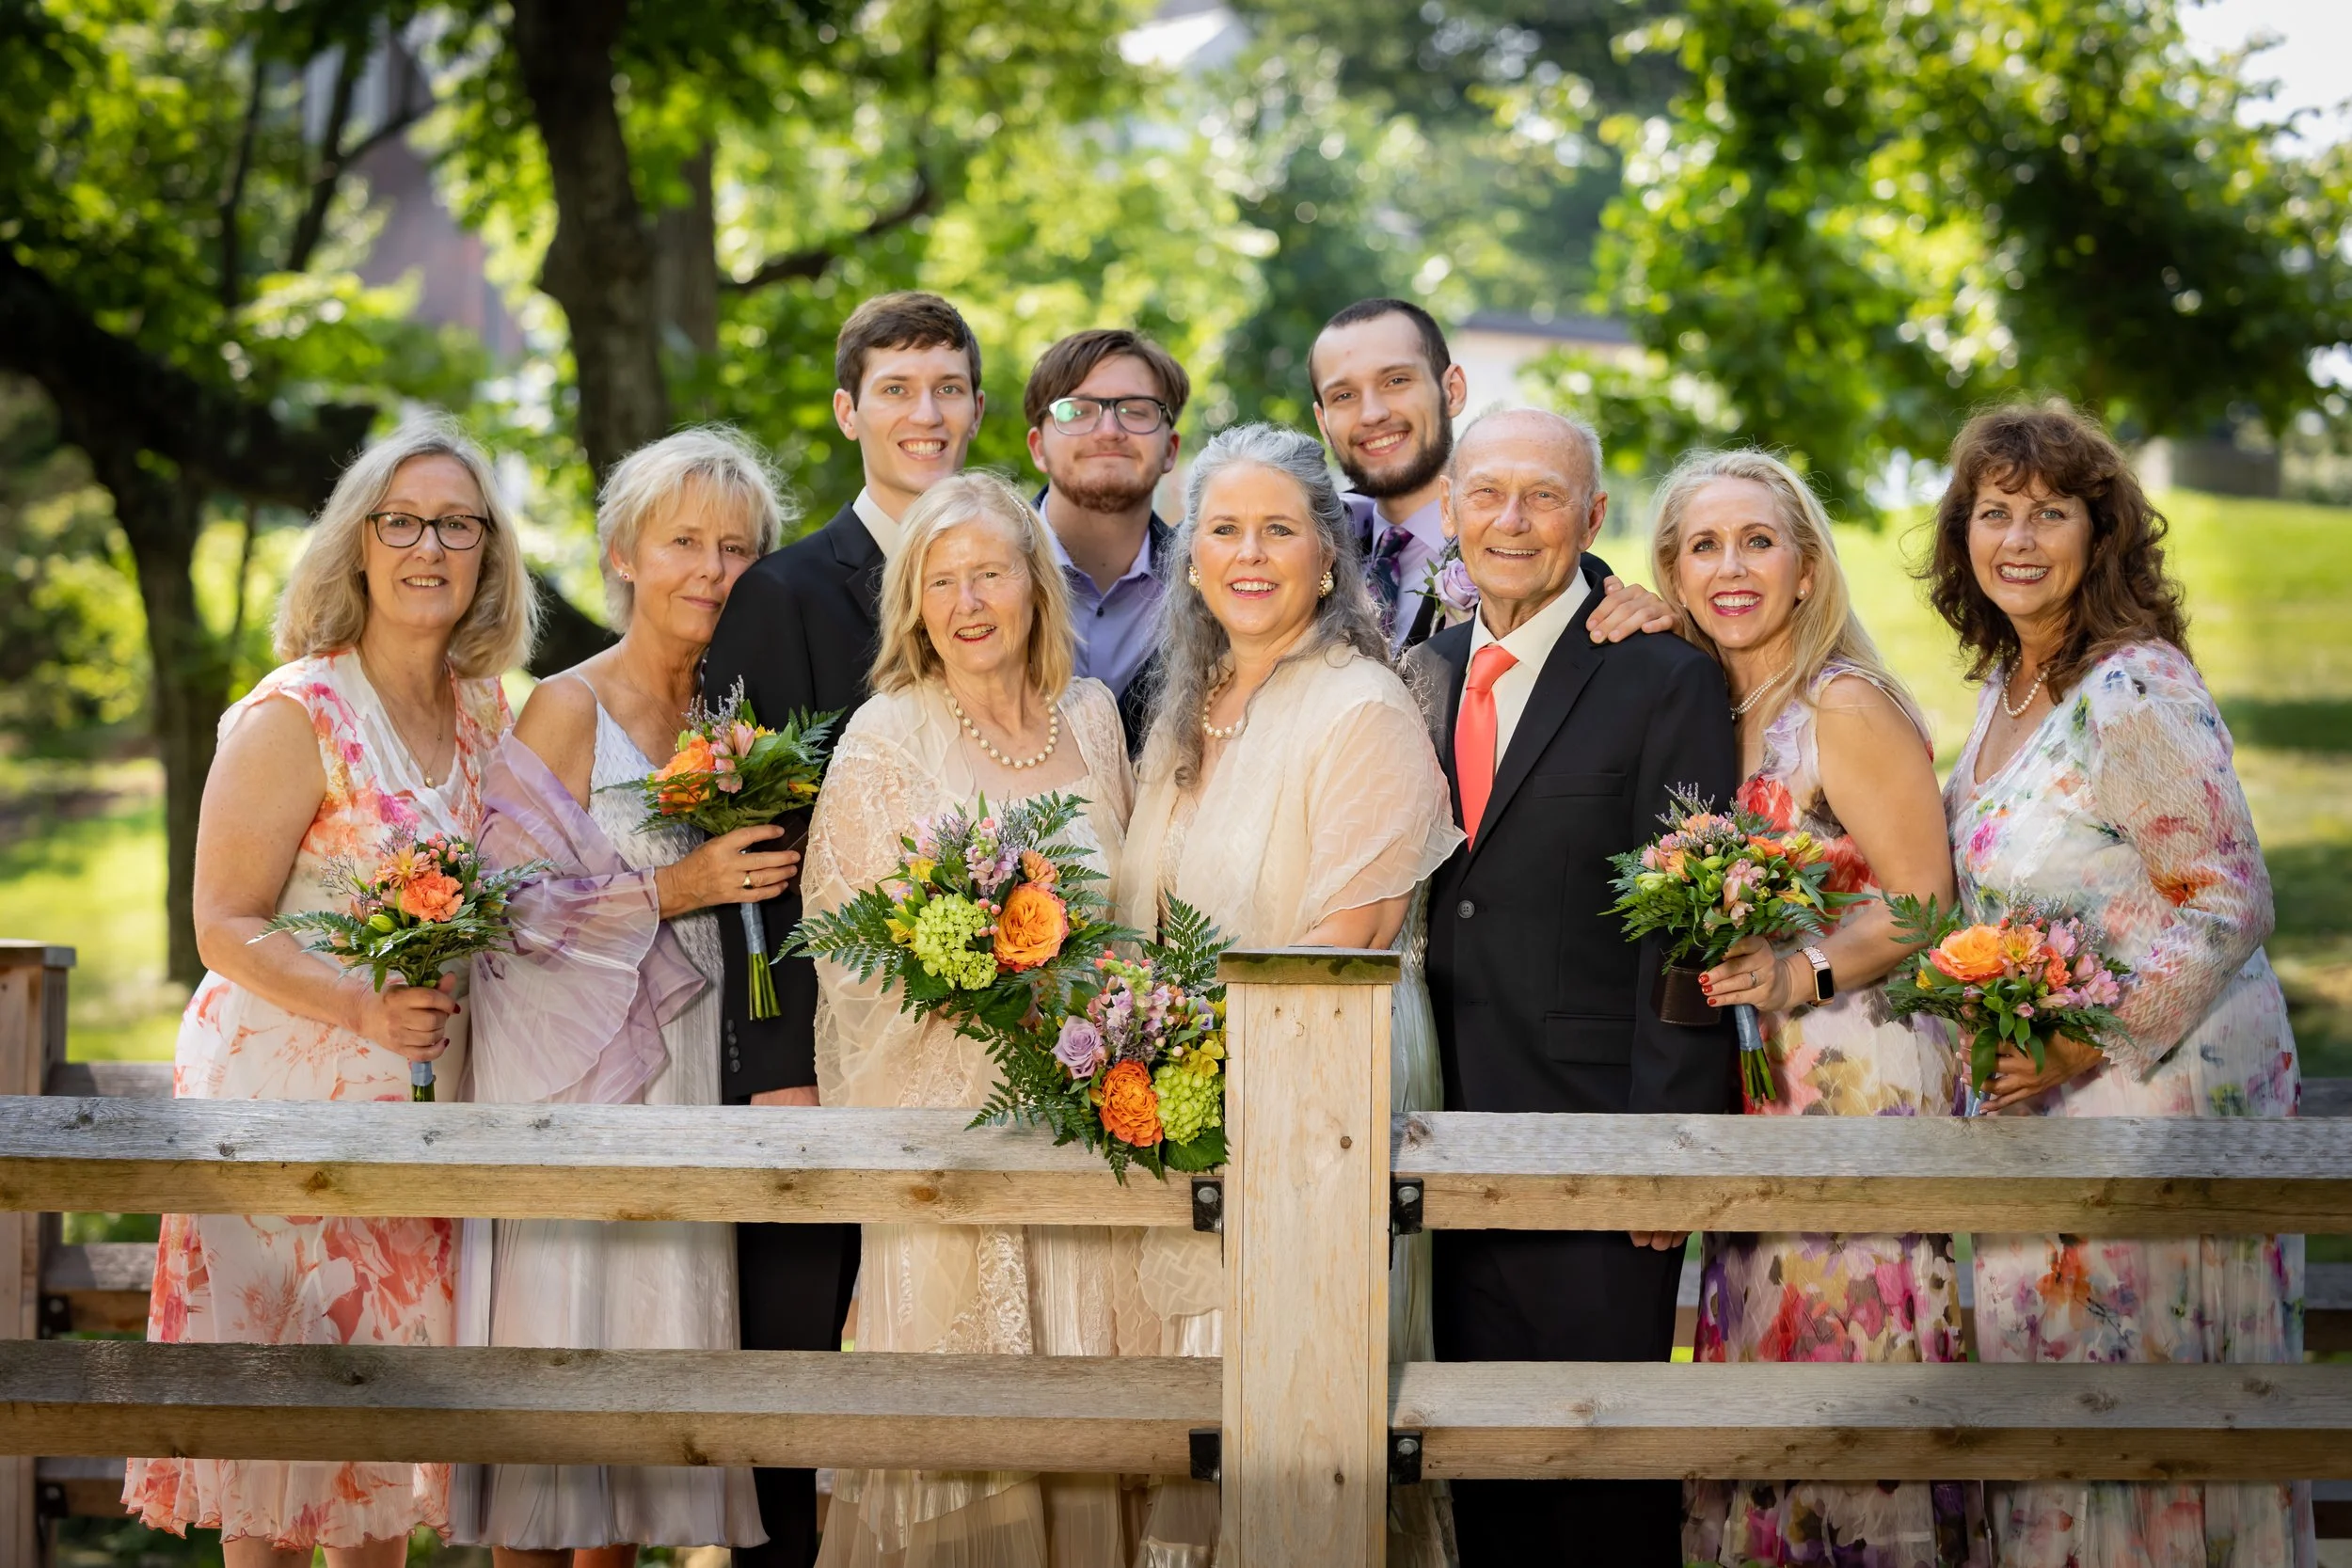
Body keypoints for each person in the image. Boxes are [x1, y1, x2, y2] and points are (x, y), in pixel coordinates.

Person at [124, 415, 538, 1567]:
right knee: (280, 1455)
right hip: (281, 1109)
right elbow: (220, 922)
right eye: (401, 520)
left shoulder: (486, 713)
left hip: (418, 1119)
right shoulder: (294, 710)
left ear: (489, 554)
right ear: (356, 543)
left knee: (373, 1451)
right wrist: (359, 1005)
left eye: (458, 524)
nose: (429, 547)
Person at [1926, 404, 2311, 1567]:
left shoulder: (2129, 685)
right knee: (2046, 1400)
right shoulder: (2008, 689)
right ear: (1963, 534)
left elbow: (2226, 896)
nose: (2020, 538)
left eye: (2051, 511)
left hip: (2158, 1103)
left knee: (2137, 1411)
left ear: (2104, 533)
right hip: (2049, 1111)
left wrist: (2082, 1041)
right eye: (1995, 512)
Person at [1115, 422, 1464, 1565]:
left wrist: (1190, 1055)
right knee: (1203, 1417)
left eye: (1279, 528)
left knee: (1297, 1419)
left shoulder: (1360, 704)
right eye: (1222, 529)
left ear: (1329, 553)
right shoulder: (1182, 706)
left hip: (1319, 1101)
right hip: (1186, 1105)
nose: (1249, 554)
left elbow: (1347, 939)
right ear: (1191, 555)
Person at [453, 428, 797, 1564]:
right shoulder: (563, 705)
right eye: (683, 541)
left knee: (648, 1421)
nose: (710, 569)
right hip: (564, 1088)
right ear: (624, 554)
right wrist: (678, 884)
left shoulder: (737, 722)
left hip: (691, 1078)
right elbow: (502, 911)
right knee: (555, 1422)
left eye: (736, 548)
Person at [1404, 408, 1738, 1566]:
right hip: (1433, 1130)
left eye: (1541, 495)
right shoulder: (1425, 667)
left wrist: (1668, 1146)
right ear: (1448, 512)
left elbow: (1688, 928)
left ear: (1592, 517)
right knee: (1475, 1460)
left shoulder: (1660, 675)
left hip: (1598, 1140)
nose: (1510, 519)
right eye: (1485, 493)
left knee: (1600, 1466)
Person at [1647, 450, 1983, 1568]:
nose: (1729, 566)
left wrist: (1806, 972)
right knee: (1767, 1353)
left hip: (1858, 1077)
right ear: (1673, 570)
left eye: (1756, 540)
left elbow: (1927, 902)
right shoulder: (1710, 704)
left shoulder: (1842, 701)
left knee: (1851, 1355)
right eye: (1702, 545)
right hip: (1759, 1086)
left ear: (1805, 568)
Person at [800, 471, 1141, 1566]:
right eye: (939, 580)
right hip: (950, 1132)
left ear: (1035, 585)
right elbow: (850, 952)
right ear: (912, 603)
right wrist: (985, 982)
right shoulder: (885, 732)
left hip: (1087, 1122)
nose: (966, 600)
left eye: (988, 571)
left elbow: (1130, 911)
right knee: (964, 1433)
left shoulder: (1092, 717)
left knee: (1090, 1404)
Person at [700, 291, 984, 1565]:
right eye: (898, 387)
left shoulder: (1007, 569)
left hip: (981, 1051)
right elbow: (754, 858)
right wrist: (777, 1064)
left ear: (978, 408)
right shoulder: (784, 592)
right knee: (799, 1354)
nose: (925, 412)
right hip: (820, 1052)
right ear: (848, 410)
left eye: (948, 387)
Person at [1311, 296, 1678, 655]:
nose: (1373, 413)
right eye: (1344, 395)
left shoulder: (1568, 577)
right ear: (1323, 422)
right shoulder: (1313, 550)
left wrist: (1679, 629)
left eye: (1396, 381)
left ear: (1452, 390)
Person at [1023, 326, 1187, 748]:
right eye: (1078, 411)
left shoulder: (1209, 587)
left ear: (1170, 448)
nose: (1109, 430)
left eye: (1136, 410)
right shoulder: (978, 576)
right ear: (1038, 447)